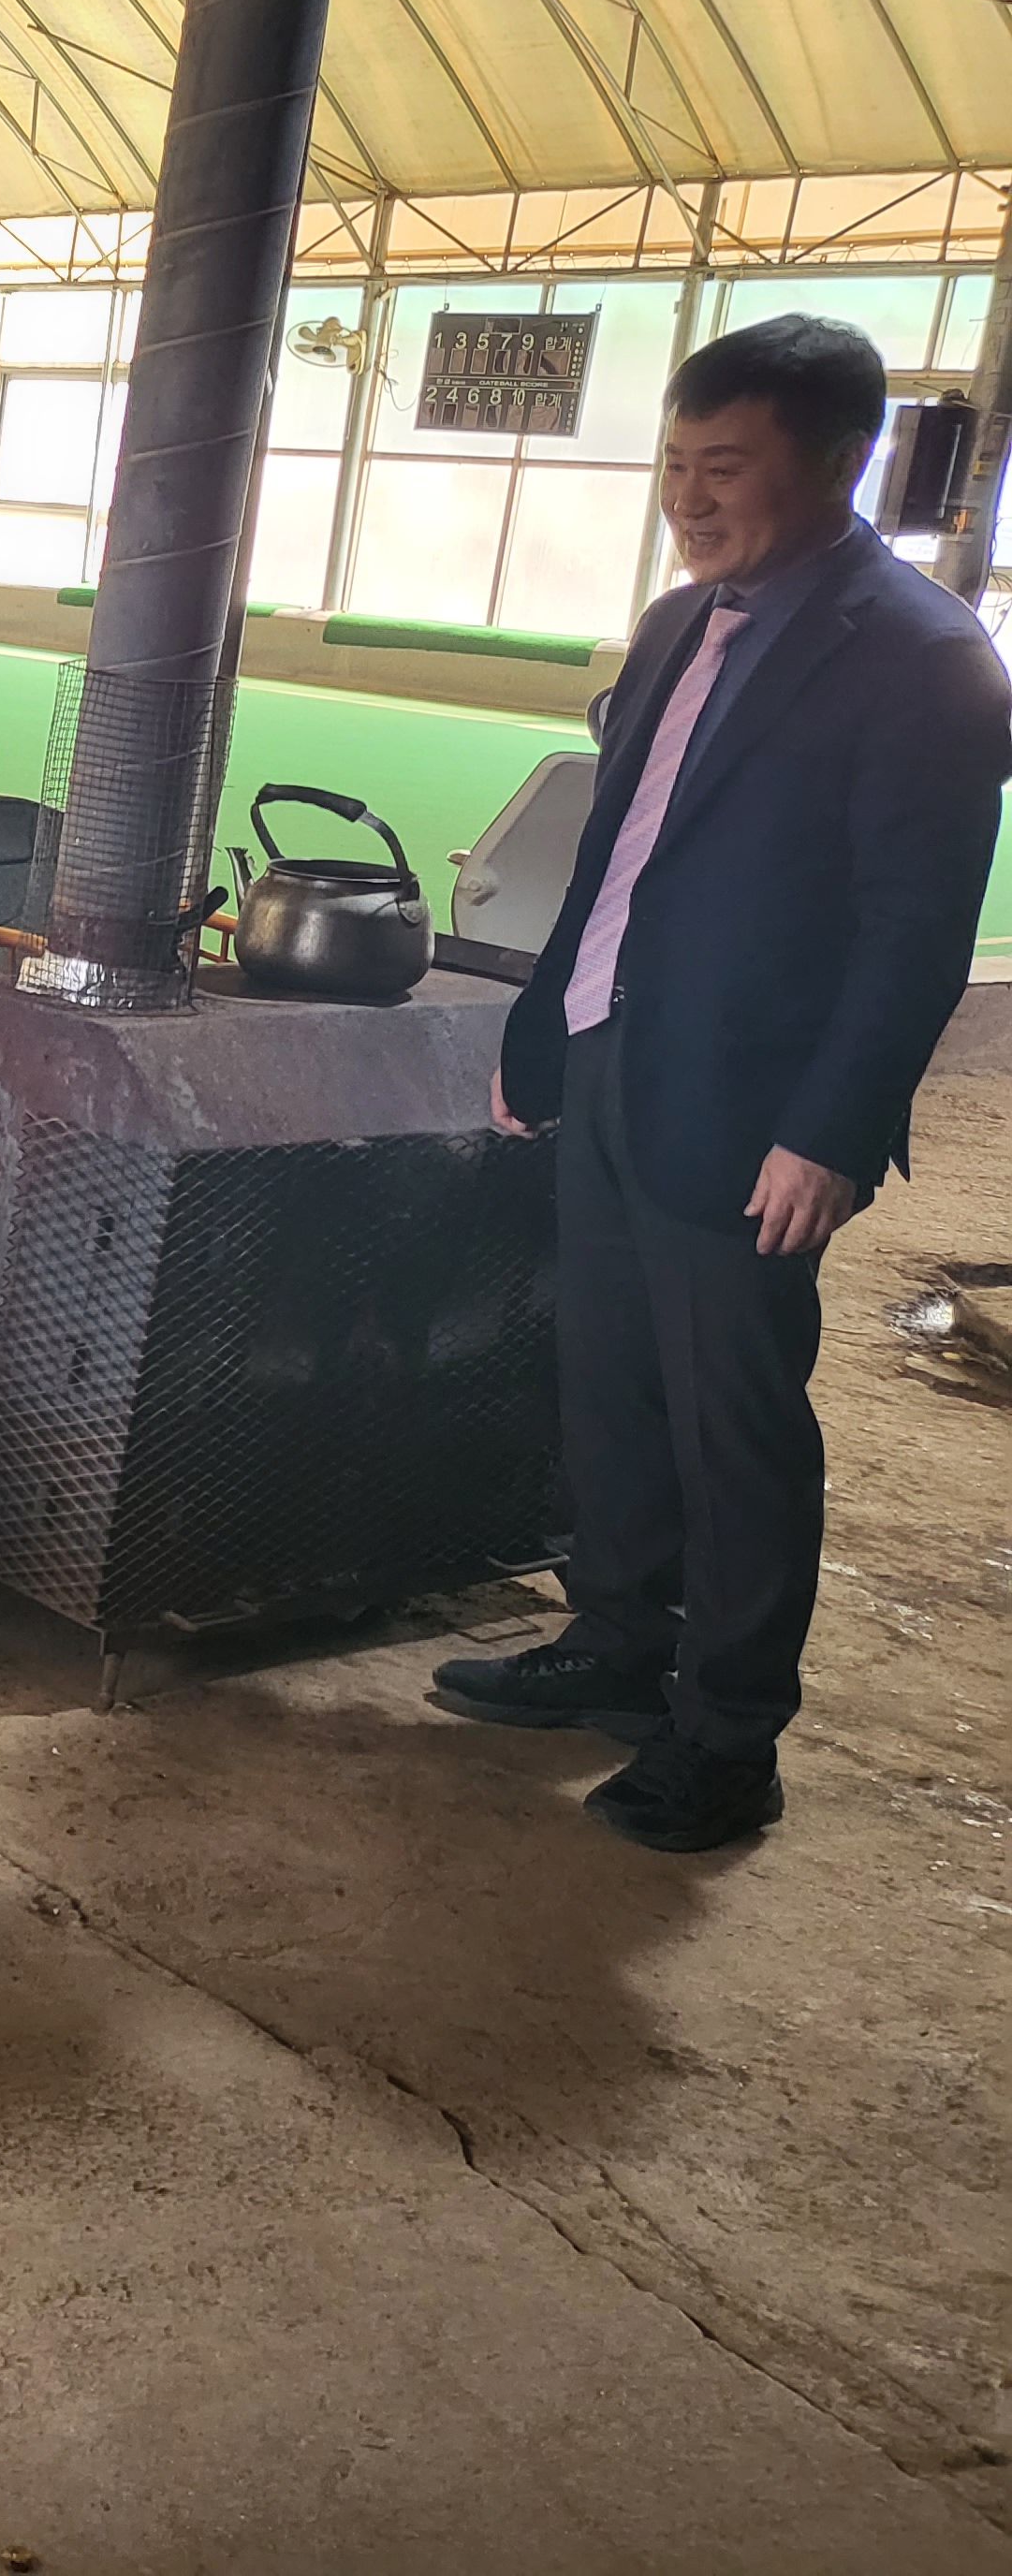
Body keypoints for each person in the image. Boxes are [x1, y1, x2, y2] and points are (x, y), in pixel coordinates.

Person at [444, 315, 1012, 1851]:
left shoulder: (923, 658)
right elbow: (616, 855)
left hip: (754, 1113)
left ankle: (728, 1734)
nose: (688, 499)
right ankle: (619, 1641)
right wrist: (542, 1032)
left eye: (726, 468)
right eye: (676, 464)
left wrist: (830, 1132)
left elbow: (916, 930)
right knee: (611, 1386)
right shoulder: (675, 626)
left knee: (735, 1427)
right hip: (616, 1061)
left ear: (838, 463)